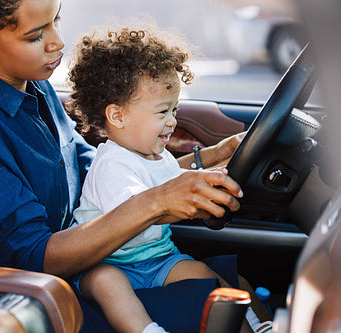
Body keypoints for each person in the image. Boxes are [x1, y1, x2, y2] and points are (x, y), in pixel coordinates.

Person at [0, 0, 268, 331]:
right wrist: (158, 202)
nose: (57, 43)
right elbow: (36, 256)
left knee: (237, 286)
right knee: (219, 308)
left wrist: (203, 161)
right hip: (28, 299)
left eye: (56, 21)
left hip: (84, 266)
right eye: (36, 35)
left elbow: (100, 176)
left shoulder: (37, 90)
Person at [66, 26, 272, 333]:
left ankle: (260, 327)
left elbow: (173, 181)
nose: (173, 121)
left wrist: (213, 170)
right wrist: (197, 195)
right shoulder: (112, 165)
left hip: (158, 259)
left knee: (207, 275)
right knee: (108, 285)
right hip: (107, 263)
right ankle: (147, 330)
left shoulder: (155, 153)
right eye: (163, 111)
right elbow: (140, 207)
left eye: (174, 109)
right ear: (118, 116)